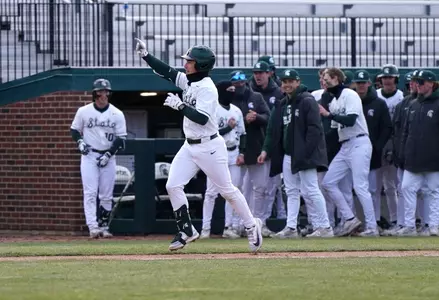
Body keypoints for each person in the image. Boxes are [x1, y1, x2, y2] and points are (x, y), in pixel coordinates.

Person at [134, 38, 263, 252]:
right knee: (173, 185)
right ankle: (186, 229)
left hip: (210, 146)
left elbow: (202, 118)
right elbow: (167, 72)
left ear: (200, 65)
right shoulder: (190, 81)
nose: (185, 63)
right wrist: (146, 56)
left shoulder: (208, 88)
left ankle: (252, 225)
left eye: (190, 61)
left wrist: (181, 106)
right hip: (190, 145)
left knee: (227, 191)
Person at [258, 69, 333, 238]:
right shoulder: (283, 103)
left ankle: (325, 227)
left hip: (305, 154)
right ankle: (291, 227)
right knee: (291, 191)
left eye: (291, 81)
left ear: (298, 82)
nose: (287, 84)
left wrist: (305, 152)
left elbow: (315, 130)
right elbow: (272, 129)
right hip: (288, 154)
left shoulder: (307, 100)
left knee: (311, 189)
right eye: (284, 81)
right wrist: (266, 149)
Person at [319, 68, 378, 237]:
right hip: (345, 145)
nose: (324, 81)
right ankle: (350, 218)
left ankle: (372, 227)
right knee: (328, 183)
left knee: (360, 187)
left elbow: (351, 120)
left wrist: (328, 114)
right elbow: (333, 128)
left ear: (336, 78)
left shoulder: (349, 94)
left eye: (327, 78)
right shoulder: (335, 101)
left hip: (359, 142)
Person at [70, 79, 127, 238]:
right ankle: (92, 227)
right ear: (95, 93)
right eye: (101, 92)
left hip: (108, 156)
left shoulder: (117, 113)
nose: (104, 95)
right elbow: (74, 130)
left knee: (106, 194)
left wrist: (108, 154)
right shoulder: (84, 111)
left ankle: (104, 226)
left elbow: (121, 138)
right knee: (90, 192)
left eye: (106, 92)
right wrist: (80, 142)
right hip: (89, 155)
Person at [200, 80, 246, 240]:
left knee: (232, 191)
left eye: (234, 90)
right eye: (229, 90)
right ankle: (205, 229)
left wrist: (243, 153)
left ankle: (229, 226)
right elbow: (209, 133)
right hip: (216, 153)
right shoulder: (213, 110)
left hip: (234, 152)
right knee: (211, 193)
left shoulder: (237, 111)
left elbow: (243, 134)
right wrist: (228, 128)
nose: (232, 93)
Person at [229, 70, 272, 237]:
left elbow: (268, 117)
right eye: (235, 82)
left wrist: (257, 117)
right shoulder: (230, 99)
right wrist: (243, 121)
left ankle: (258, 221)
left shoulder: (256, 97)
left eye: (241, 82)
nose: (239, 85)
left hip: (254, 147)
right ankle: (236, 224)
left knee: (260, 187)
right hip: (236, 149)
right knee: (236, 188)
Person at [400, 70, 439, 237]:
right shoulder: (413, 104)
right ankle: (409, 225)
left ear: (431, 84)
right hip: (413, 157)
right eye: (416, 81)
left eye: (421, 82)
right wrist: (403, 152)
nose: (417, 85)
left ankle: (433, 225)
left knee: (434, 191)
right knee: (406, 188)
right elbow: (406, 131)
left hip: (433, 157)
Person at [353, 70, 393, 233]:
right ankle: (353, 221)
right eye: (358, 83)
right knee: (354, 188)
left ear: (369, 84)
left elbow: (387, 127)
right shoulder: (352, 100)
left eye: (363, 83)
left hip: (373, 152)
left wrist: (377, 146)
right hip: (352, 150)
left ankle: (374, 221)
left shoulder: (378, 103)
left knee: (373, 189)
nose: (361, 86)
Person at [375, 64, 404, 229]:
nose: (387, 80)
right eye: (384, 77)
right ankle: (376, 221)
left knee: (392, 186)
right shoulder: (376, 95)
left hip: (395, 142)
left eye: (390, 77)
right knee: (375, 186)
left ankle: (395, 220)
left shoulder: (401, 96)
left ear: (396, 79)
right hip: (378, 143)